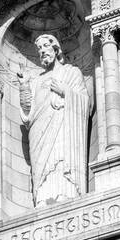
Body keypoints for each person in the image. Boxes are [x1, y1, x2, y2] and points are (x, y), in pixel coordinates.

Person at [18, 33, 90, 207]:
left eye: (45, 46)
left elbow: (84, 102)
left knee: (60, 160)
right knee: (43, 168)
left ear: (55, 48)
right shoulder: (37, 80)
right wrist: (24, 86)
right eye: (39, 49)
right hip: (39, 132)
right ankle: (42, 198)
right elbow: (28, 111)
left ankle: (66, 193)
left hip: (64, 128)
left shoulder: (71, 72)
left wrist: (65, 90)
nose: (42, 51)